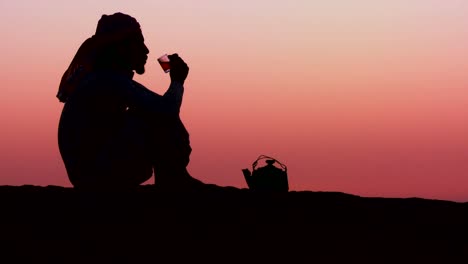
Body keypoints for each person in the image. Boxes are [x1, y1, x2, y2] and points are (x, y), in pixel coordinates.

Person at [57, 12, 204, 190]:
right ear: (121, 48)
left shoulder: (105, 79)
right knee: (155, 117)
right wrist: (177, 81)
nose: (146, 50)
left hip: (91, 171)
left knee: (151, 112)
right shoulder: (107, 80)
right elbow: (166, 111)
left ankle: (173, 176)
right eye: (139, 43)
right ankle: (173, 177)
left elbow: (159, 106)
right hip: (95, 174)